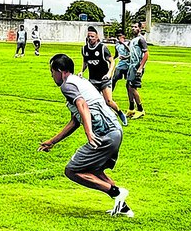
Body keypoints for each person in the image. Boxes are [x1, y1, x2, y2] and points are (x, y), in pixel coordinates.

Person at [38, 53, 133, 217]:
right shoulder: (79, 82)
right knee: (93, 170)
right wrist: (52, 141)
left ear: (60, 71)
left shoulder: (67, 85)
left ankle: (116, 192)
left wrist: (89, 132)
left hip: (105, 134)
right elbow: (75, 121)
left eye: (52, 72)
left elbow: (82, 105)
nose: (51, 76)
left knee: (72, 170)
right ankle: (124, 207)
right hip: (115, 131)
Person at [80, 26, 127, 125]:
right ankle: (100, 120)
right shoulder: (84, 49)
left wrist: (109, 73)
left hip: (104, 80)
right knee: (93, 102)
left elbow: (112, 61)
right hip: (93, 80)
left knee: (108, 101)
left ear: (97, 37)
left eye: (92, 36)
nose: (90, 38)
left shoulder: (102, 48)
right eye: (89, 36)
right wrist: (81, 71)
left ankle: (119, 112)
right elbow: (85, 62)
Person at [125, 22, 148, 119]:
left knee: (133, 87)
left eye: (135, 27)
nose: (133, 28)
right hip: (131, 66)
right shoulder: (133, 40)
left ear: (140, 28)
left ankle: (140, 109)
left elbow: (146, 54)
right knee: (128, 86)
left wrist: (140, 68)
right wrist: (125, 57)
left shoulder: (141, 40)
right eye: (132, 27)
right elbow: (133, 54)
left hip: (137, 67)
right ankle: (131, 108)